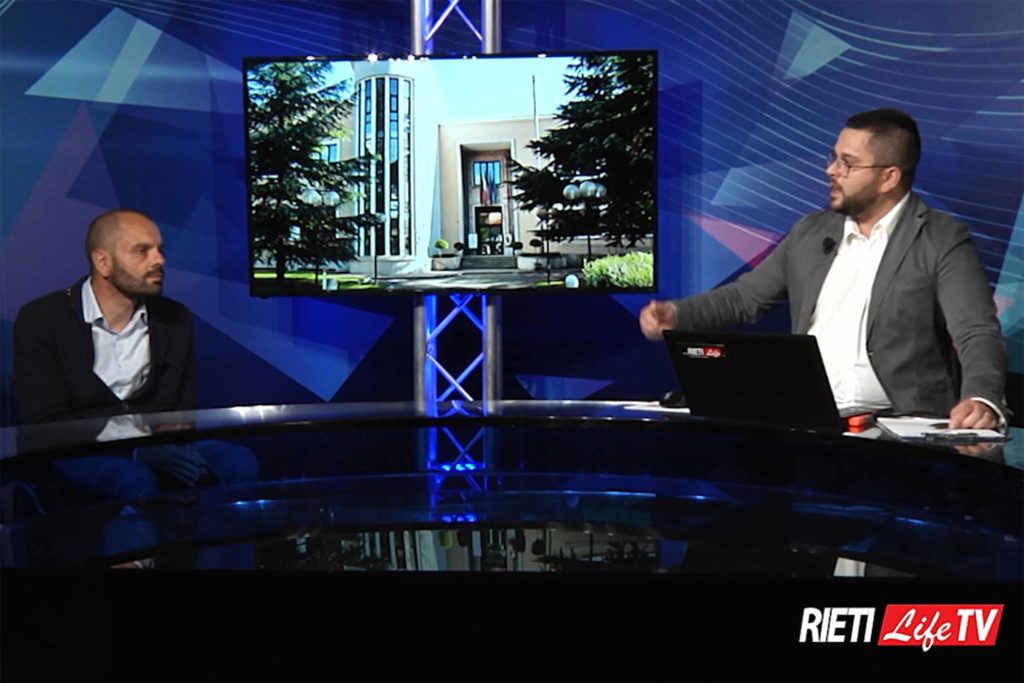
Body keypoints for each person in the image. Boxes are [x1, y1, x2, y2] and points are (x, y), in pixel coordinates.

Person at [640, 108, 1007, 430]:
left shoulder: (940, 237)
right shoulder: (810, 232)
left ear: (889, 177)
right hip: (809, 419)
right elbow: (745, 298)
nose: (831, 170)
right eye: (833, 158)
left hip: (900, 426)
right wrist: (677, 315)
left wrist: (981, 398)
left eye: (848, 163)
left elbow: (974, 329)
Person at [12, 209, 257, 521]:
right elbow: (45, 423)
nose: (159, 260)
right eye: (142, 251)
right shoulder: (42, 319)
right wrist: (137, 450)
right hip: (78, 450)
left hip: (157, 442)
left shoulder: (174, 318)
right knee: (133, 479)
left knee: (238, 462)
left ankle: (212, 548)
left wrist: (171, 440)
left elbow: (181, 410)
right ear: (103, 262)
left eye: (160, 250)